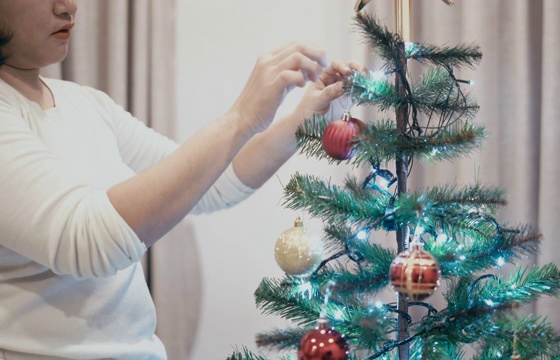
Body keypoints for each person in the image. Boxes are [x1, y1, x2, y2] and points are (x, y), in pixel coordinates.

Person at [0, 0, 364, 358]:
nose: (69, 6)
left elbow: (211, 184)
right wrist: (240, 117)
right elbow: (89, 240)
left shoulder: (86, 104)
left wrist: (305, 120)